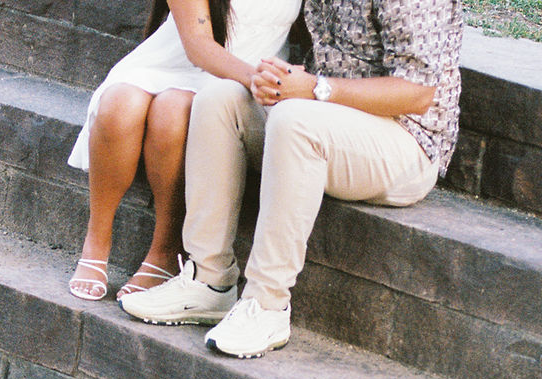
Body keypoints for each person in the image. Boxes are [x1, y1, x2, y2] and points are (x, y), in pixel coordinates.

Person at [119, 0, 463, 357]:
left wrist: (316, 88)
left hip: (406, 143)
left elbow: (419, 93)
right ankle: (210, 281)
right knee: (220, 98)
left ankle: (267, 306)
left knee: (294, 120)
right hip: (329, 117)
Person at [67, 0, 301, 301]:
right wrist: (257, 80)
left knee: (172, 111)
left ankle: (165, 249)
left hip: (239, 79)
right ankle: (96, 240)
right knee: (119, 105)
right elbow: (198, 45)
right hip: (186, 62)